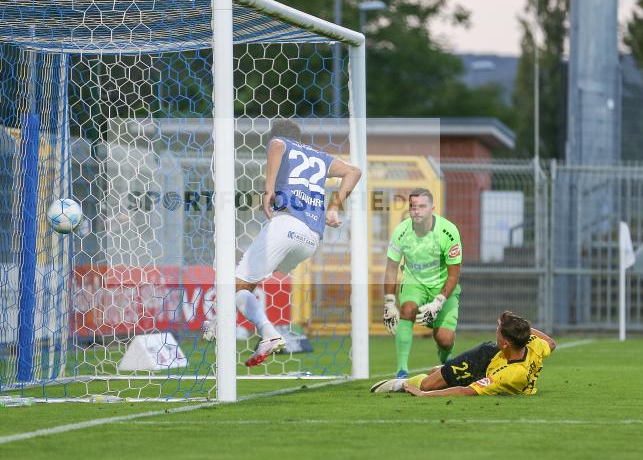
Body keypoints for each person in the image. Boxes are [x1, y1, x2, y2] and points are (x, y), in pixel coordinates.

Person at [203, 118, 362, 367]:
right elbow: (355, 171)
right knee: (244, 286)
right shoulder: (320, 157)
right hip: (310, 239)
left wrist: (268, 190)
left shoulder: (280, 143)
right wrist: (334, 208)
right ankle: (266, 332)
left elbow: (277, 145)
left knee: (232, 284)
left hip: (287, 224)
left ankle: (232, 326)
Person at [370, 311, 556, 397]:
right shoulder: (532, 344)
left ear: (506, 342)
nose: (495, 330)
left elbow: (466, 391)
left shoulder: (511, 375)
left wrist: (423, 395)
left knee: (426, 387)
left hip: (489, 369)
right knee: (431, 382)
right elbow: (551, 343)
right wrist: (521, 327)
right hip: (487, 359)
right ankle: (437, 372)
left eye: (498, 329)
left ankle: (400, 384)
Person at [382, 188, 462, 378]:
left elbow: (453, 275)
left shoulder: (448, 232)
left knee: (444, 338)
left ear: (432, 209)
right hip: (414, 283)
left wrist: (439, 301)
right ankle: (401, 371)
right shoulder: (401, 232)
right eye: (413, 206)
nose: (416, 210)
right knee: (407, 309)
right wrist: (389, 302)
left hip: (442, 286)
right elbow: (391, 268)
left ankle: (445, 357)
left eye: (422, 206)